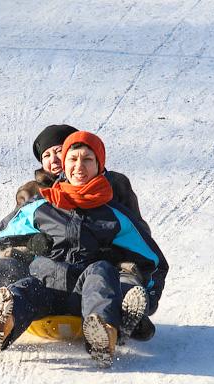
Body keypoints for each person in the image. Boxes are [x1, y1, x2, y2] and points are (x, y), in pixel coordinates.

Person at [0, 130, 167, 367]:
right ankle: (1, 326)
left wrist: (146, 300)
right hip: (47, 284)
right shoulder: (41, 205)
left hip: (88, 292)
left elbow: (151, 260)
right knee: (24, 288)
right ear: (64, 167)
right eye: (73, 159)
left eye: (87, 160)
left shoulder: (114, 211)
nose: (79, 166)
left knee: (101, 271)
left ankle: (103, 334)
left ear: (100, 165)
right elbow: (2, 239)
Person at [23, 124, 157, 341]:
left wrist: (110, 247)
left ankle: (129, 316)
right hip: (55, 267)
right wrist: (32, 245)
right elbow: (13, 234)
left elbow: (137, 231)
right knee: (24, 272)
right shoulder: (32, 194)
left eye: (58, 151)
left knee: (121, 272)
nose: (54, 159)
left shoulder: (114, 184)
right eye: (46, 155)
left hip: (105, 263)